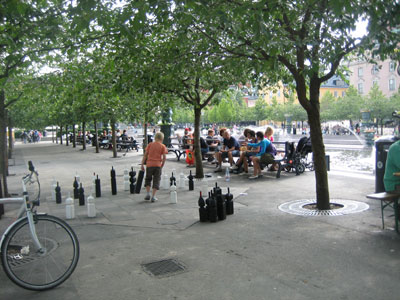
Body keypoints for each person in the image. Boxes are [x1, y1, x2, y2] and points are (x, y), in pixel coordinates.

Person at [141, 132, 168, 202]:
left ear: (155, 137)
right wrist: (162, 165)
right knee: (156, 180)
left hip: (149, 164)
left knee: (148, 179)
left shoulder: (150, 145)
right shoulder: (162, 146)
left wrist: (142, 164)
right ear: (162, 139)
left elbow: (145, 155)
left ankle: (147, 194)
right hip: (157, 165)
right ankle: (153, 196)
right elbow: (164, 157)